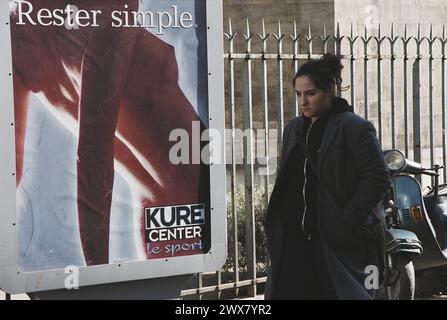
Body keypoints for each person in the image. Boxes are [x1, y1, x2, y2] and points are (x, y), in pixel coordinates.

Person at [11, 0, 209, 266]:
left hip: (176, 195)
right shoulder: (106, 9)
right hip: (181, 191)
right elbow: (92, 158)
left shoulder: (18, 28)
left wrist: (97, 272)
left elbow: (13, 166)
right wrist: (98, 272)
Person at [263, 53, 390, 300]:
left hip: (334, 239)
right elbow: (288, 179)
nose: (303, 102)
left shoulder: (353, 127)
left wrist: (348, 219)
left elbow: (377, 179)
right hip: (294, 240)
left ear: (330, 91)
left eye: (310, 93)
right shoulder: (293, 129)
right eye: (298, 94)